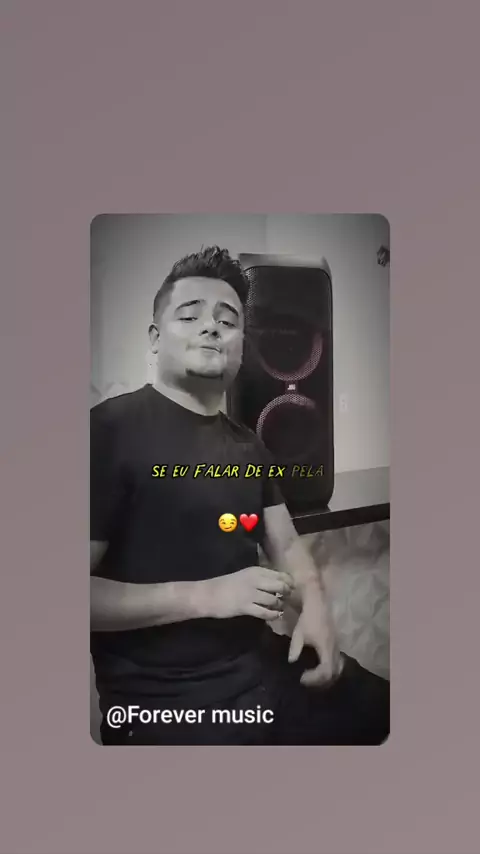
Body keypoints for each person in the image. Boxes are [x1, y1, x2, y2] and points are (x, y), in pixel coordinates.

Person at [90, 245, 389, 745]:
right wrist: (205, 595)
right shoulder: (106, 431)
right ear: (155, 339)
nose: (212, 327)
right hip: (168, 705)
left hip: (265, 672)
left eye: (227, 320)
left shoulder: (249, 446)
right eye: (190, 315)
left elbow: (286, 544)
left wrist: (316, 607)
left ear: (241, 348)